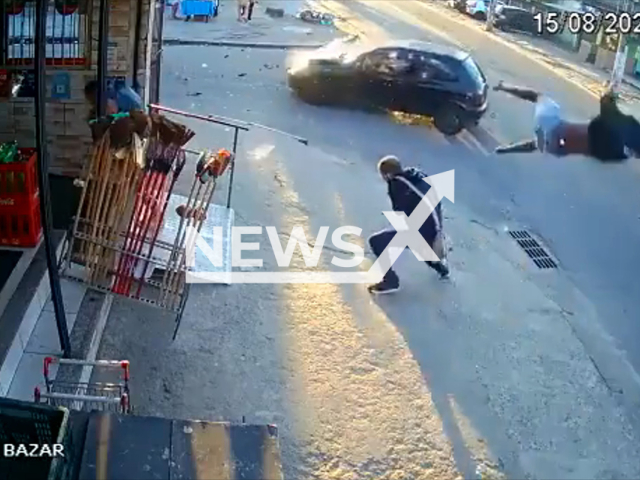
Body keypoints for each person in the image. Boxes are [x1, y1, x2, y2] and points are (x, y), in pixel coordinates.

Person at [492, 81, 640, 161]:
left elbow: (607, 102)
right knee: (540, 144)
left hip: (553, 127)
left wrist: (609, 90)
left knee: (538, 96)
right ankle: (505, 150)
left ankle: (504, 87)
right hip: (557, 149)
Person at [367, 156, 450, 294]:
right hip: (428, 227)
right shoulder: (416, 175)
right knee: (416, 239)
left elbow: (402, 210)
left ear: (387, 174)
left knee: (376, 241)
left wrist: (437, 236)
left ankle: (391, 281)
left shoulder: (397, 185)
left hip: (425, 230)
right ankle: (440, 267)